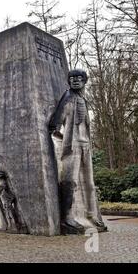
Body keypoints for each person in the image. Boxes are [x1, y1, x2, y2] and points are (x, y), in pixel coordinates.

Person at [49, 69, 107, 234]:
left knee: (89, 182)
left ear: (84, 80)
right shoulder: (67, 97)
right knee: (70, 180)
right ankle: (67, 218)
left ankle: (92, 215)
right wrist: (63, 141)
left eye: (79, 78)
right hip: (72, 144)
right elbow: (55, 124)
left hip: (86, 144)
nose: (75, 80)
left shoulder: (83, 99)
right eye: (72, 78)